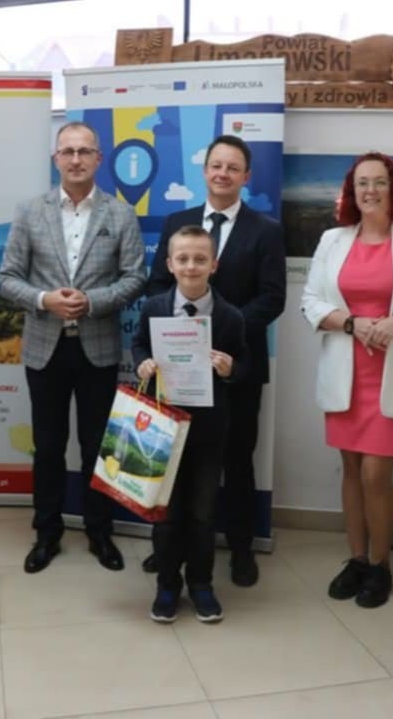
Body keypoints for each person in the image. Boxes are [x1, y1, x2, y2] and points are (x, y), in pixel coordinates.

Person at [0, 121, 146, 574]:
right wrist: (45, 299)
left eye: (85, 151)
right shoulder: (30, 212)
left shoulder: (121, 214)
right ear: (56, 159)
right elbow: (6, 279)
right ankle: (47, 532)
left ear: (99, 159)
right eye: (68, 151)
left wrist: (92, 301)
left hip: (97, 348)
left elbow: (136, 278)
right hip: (45, 348)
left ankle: (100, 531)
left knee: (98, 445)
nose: (76, 159)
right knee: (47, 446)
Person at [301, 151, 393, 608]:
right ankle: (358, 560)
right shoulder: (333, 239)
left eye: (379, 182)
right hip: (345, 375)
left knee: (376, 473)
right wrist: (351, 323)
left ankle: (381, 566)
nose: (370, 190)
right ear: (351, 191)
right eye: (361, 182)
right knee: (351, 470)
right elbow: (310, 300)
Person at [145, 134, 286, 586]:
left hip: (236, 369)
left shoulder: (266, 230)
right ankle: (170, 549)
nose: (223, 174)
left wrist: (221, 332)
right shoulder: (178, 222)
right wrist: (187, 337)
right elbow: (156, 286)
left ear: (246, 177)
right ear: (204, 171)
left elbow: (273, 298)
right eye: (216, 165)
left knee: (237, 460)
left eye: (233, 167)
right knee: (175, 460)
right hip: (177, 369)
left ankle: (241, 549)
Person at [133, 225, 248, 623]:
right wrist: (141, 364)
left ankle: (201, 584)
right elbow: (139, 345)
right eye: (182, 259)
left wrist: (231, 369)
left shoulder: (230, 316)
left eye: (200, 259)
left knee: (202, 513)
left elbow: (245, 365)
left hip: (208, 432)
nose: (191, 266)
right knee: (165, 513)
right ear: (169, 264)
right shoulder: (154, 308)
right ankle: (167, 585)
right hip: (162, 429)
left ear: (214, 264)